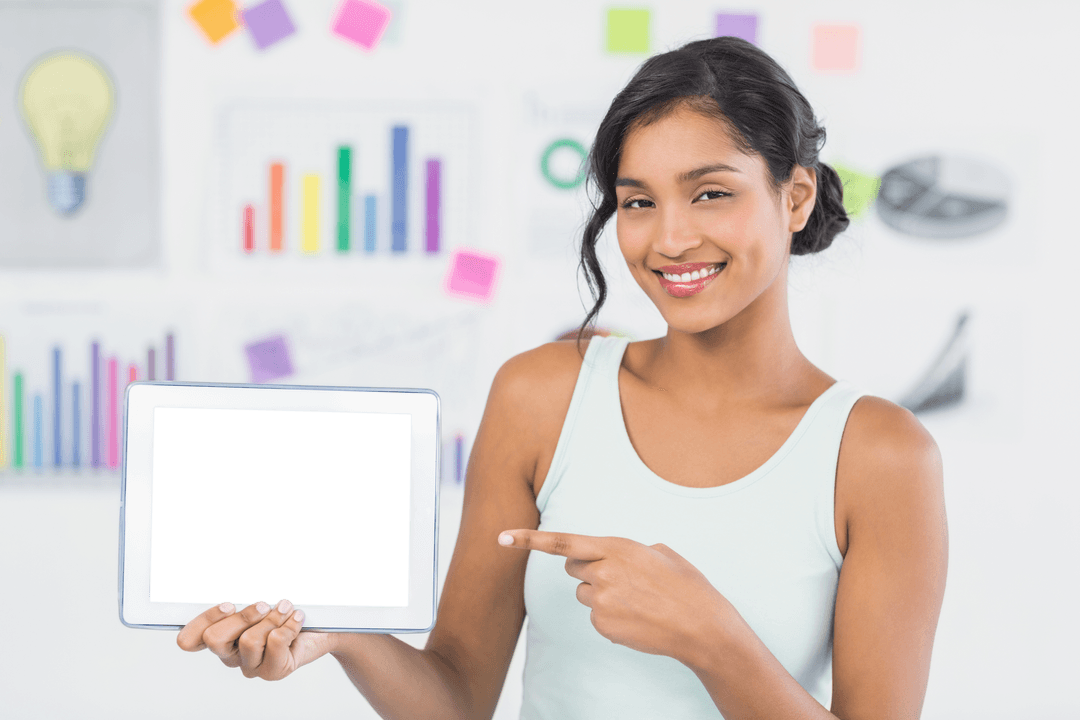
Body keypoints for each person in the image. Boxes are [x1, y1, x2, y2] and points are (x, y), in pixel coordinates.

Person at [177, 36, 948, 720]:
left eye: (711, 192)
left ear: (796, 195)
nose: (671, 237)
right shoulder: (543, 396)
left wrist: (711, 639)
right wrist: (344, 636)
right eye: (637, 202)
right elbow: (455, 698)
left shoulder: (879, 456)